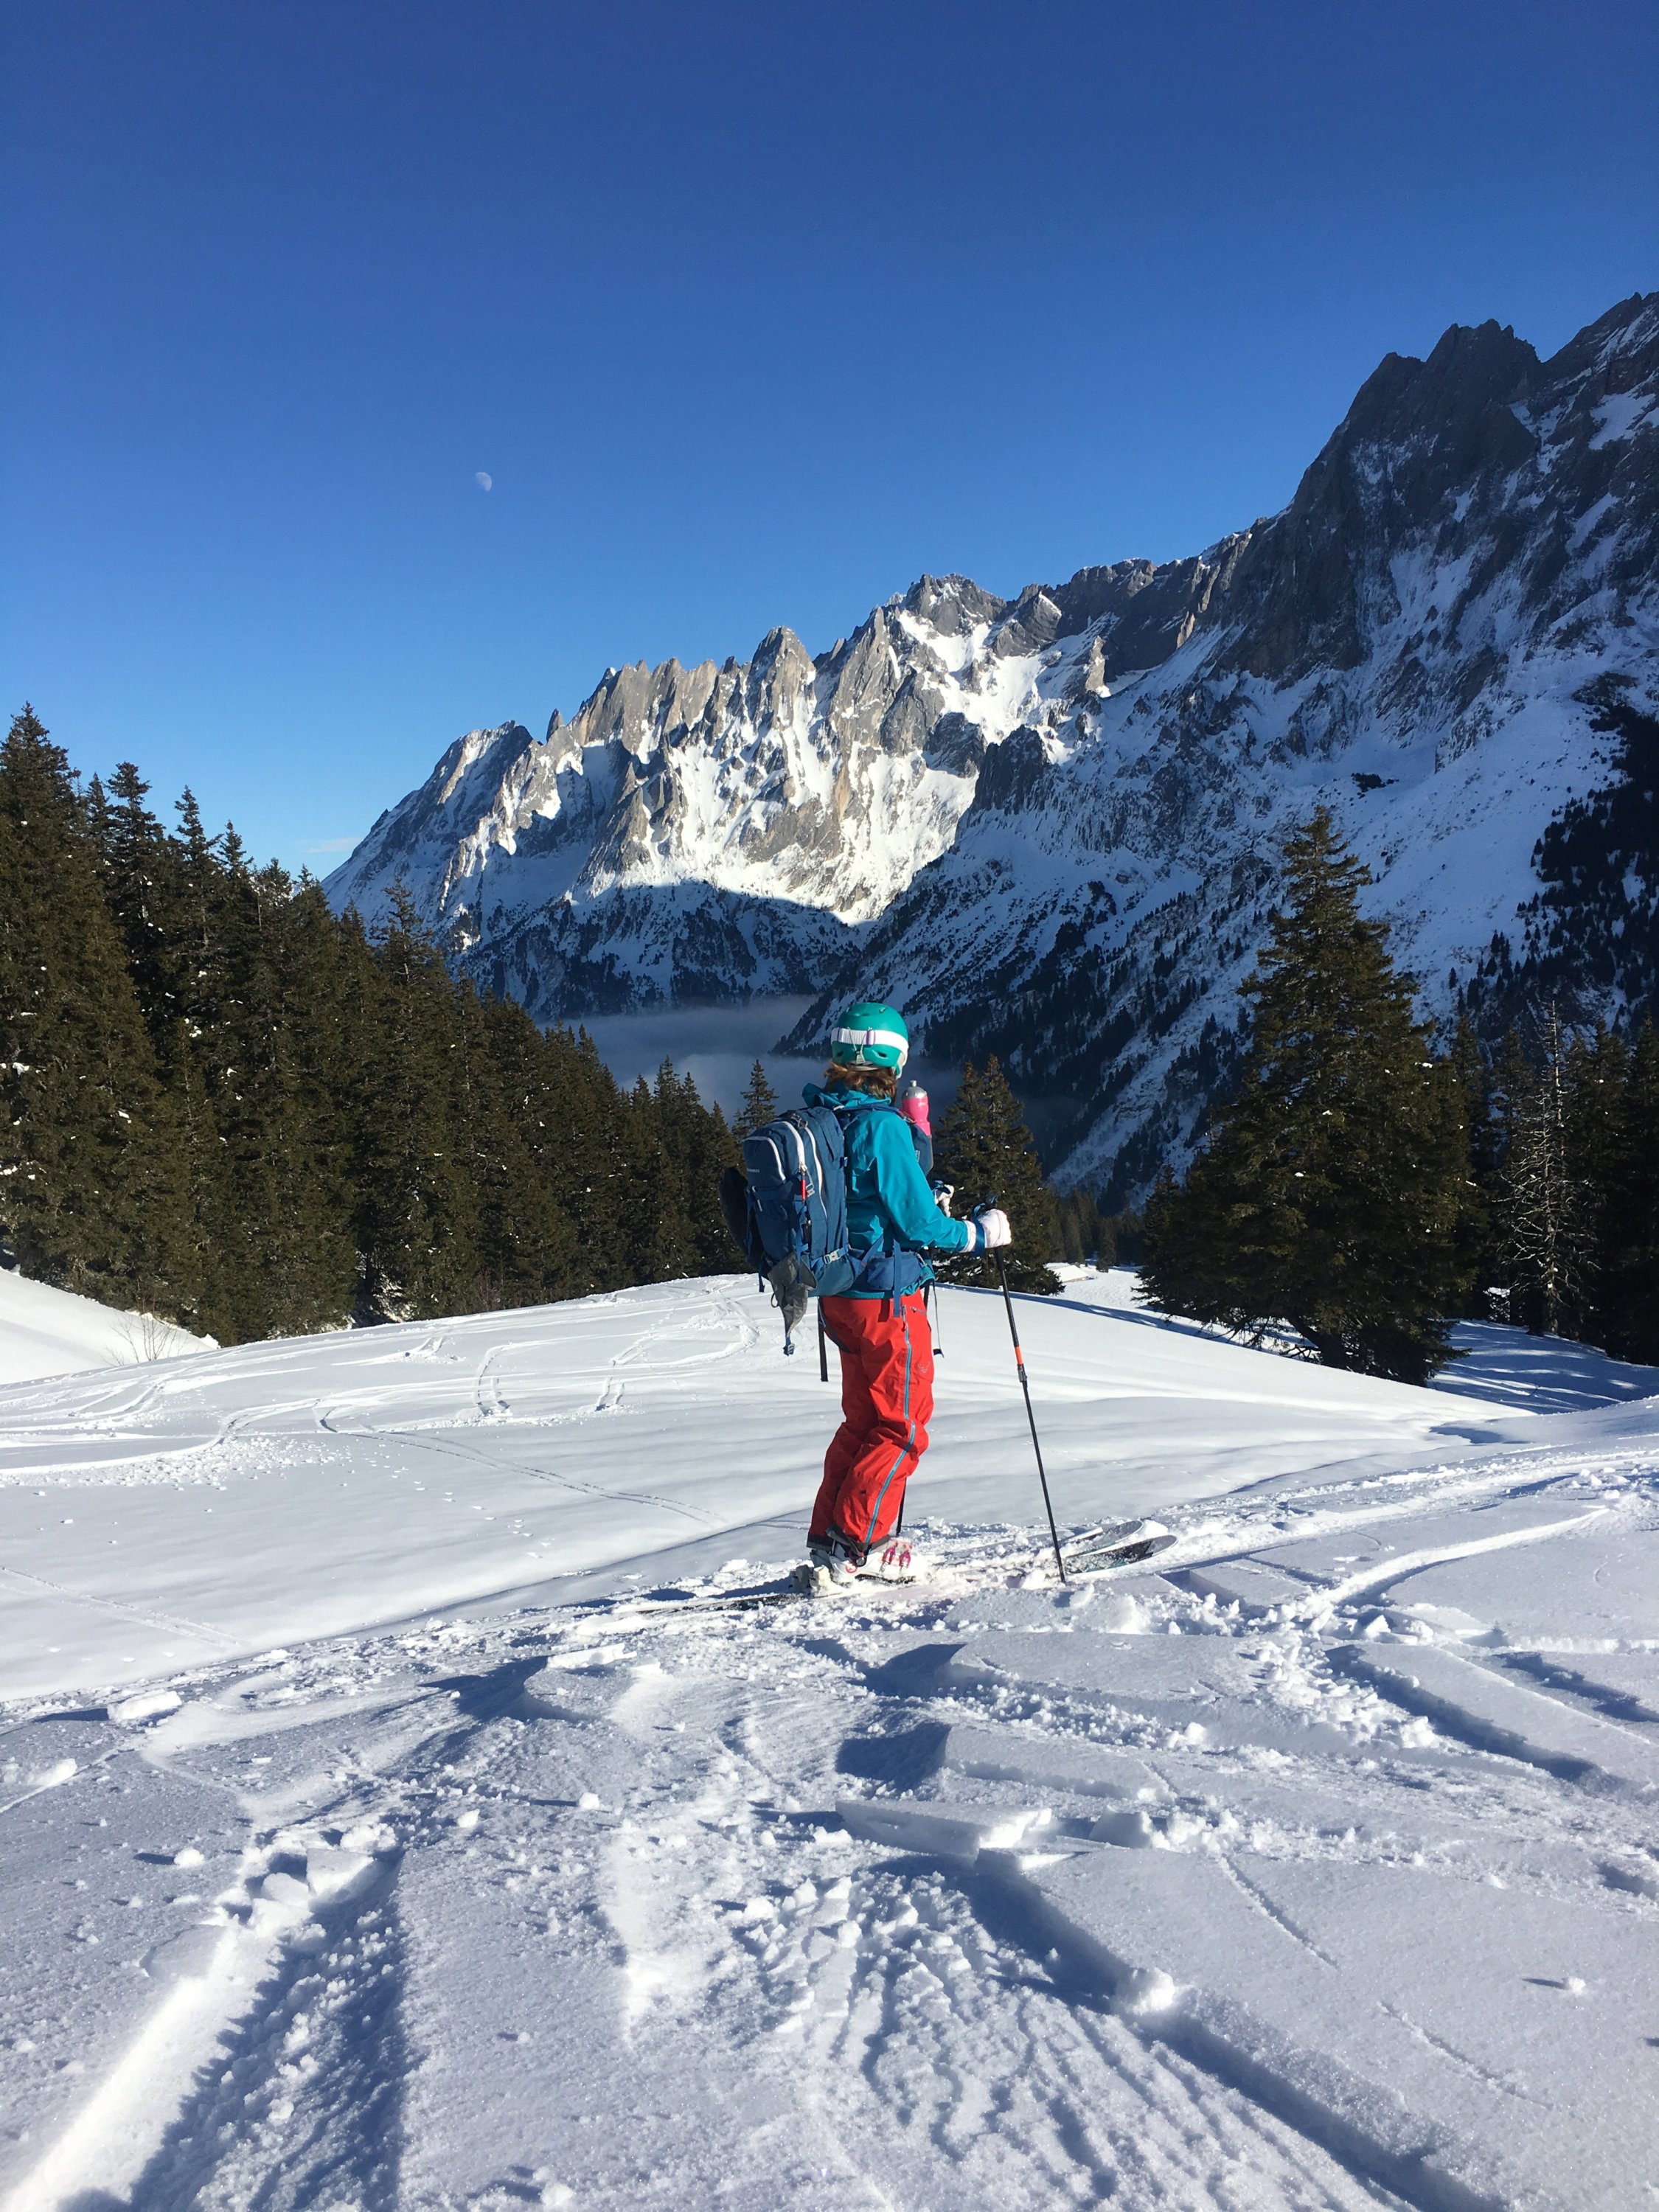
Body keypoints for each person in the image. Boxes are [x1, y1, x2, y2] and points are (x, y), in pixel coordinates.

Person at [798, 1000, 1011, 1594]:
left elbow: (866, 1200)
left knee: (863, 1422)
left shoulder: (824, 1118)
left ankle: (830, 1540)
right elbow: (921, 1226)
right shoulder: (882, 1126)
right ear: (893, 1062)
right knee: (902, 1428)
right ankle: (859, 1547)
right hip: (888, 1300)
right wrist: (978, 1234)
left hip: (840, 1295)